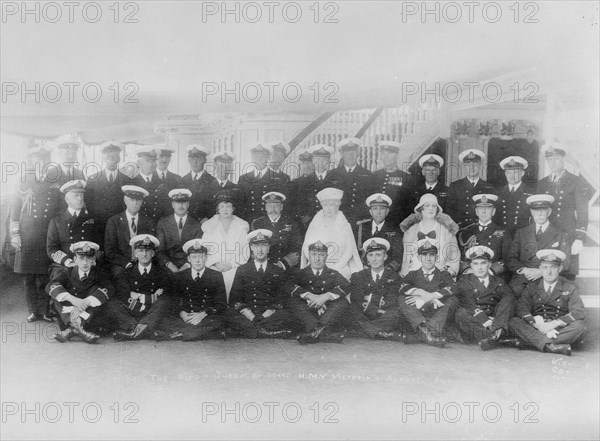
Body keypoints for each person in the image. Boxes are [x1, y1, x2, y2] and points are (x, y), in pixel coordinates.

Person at [10, 144, 60, 322]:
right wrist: (15, 234)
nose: (41, 163)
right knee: (28, 277)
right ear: (32, 161)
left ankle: (45, 311)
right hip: (28, 234)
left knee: (45, 275)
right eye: (38, 160)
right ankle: (33, 311)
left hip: (47, 234)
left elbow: (60, 209)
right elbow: (15, 210)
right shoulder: (24, 180)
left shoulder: (55, 181)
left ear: (49, 162)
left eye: (45, 160)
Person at [509, 249, 587, 356]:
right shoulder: (532, 286)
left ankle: (529, 342)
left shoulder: (569, 287)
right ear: (540, 269)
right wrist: (536, 323)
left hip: (559, 328)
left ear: (560, 268)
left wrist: (554, 324)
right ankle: (550, 346)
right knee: (514, 322)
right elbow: (522, 308)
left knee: (580, 327)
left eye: (553, 267)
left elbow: (579, 311)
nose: (549, 272)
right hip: (538, 326)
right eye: (545, 267)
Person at [227, 229, 297, 339]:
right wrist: (250, 315)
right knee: (229, 316)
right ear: (251, 248)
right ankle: (268, 332)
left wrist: (267, 313)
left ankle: (255, 331)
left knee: (287, 315)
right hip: (249, 314)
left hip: (269, 314)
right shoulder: (242, 269)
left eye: (263, 245)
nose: (260, 249)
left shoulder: (277, 270)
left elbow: (281, 298)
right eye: (256, 246)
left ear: (269, 247)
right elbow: (235, 299)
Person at [537, 143, 591, 279]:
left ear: (563, 159)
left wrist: (579, 238)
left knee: (566, 275)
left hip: (568, 236)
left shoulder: (576, 181)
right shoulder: (542, 183)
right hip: (547, 235)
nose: (553, 162)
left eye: (556, 159)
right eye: (550, 159)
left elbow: (583, 212)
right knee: (547, 273)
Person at [45, 241, 114, 343]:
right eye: (81, 258)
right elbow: (51, 285)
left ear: (94, 260)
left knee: (99, 294)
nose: (85, 263)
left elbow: (110, 288)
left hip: (88, 312)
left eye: (89, 258)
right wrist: (73, 300)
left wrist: (86, 302)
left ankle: (72, 329)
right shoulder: (67, 272)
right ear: (75, 259)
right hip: (69, 311)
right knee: (56, 296)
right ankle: (80, 330)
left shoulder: (99, 273)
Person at [161, 239, 228, 341]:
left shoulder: (216, 276)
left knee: (220, 320)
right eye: (194, 257)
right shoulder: (180, 276)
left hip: (206, 317)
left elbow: (221, 304)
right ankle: (197, 332)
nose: (197, 260)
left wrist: (203, 314)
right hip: (187, 317)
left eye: (201, 256)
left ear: (206, 258)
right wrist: (182, 313)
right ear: (188, 258)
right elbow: (174, 302)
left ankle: (182, 333)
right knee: (164, 321)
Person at [109, 234, 172, 341]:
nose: (144, 254)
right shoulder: (126, 273)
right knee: (112, 304)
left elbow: (166, 291)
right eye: (141, 250)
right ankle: (143, 329)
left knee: (164, 302)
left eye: (148, 250)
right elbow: (122, 294)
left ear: (153, 253)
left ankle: (134, 332)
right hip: (134, 309)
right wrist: (150, 298)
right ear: (135, 253)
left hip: (151, 310)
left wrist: (139, 296)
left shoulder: (161, 272)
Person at [507, 194, 571, 296]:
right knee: (513, 292)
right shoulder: (521, 233)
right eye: (536, 210)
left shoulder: (561, 234)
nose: (540, 213)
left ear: (549, 212)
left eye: (543, 209)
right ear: (532, 212)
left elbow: (566, 263)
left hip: (549, 276)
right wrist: (524, 270)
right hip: (525, 276)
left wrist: (542, 272)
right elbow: (511, 259)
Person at [455, 246, 517, 351]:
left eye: (483, 263)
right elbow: (469, 303)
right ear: (471, 265)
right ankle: (495, 337)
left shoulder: (498, 282)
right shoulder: (464, 281)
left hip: (495, 320)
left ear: (489, 264)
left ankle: (493, 337)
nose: (479, 267)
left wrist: (496, 320)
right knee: (460, 314)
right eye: (476, 263)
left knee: (510, 298)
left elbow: (508, 301)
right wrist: (486, 321)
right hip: (476, 321)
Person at [288, 241, 351, 344]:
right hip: (308, 312)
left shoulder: (333, 274)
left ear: (326, 257)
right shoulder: (301, 273)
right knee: (292, 301)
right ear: (309, 256)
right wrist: (308, 295)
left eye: (321, 255)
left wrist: (326, 296)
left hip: (326, 313)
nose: (317, 258)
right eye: (314, 254)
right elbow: (288, 285)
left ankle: (314, 333)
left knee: (343, 302)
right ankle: (324, 333)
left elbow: (347, 285)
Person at [398, 239, 457, 347]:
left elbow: (453, 287)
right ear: (419, 258)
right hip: (418, 313)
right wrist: (419, 292)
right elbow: (402, 286)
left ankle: (423, 334)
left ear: (437, 258)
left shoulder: (444, 274)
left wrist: (432, 296)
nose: (428, 258)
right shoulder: (413, 274)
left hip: (437, 314)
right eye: (424, 255)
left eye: (432, 255)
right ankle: (428, 333)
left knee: (453, 300)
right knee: (402, 299)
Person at [301, 187, 362, 280]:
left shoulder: (344, 224)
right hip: (316, 265)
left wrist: (337, 267)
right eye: (325, 205)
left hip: (339, 266)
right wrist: (316, 263)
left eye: (331, 204)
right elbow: (306, 246)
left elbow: (350, 249)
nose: (328, 208)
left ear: (337, 205)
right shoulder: (315, 223)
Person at [349, 238, 403, 341]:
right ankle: (380, 332)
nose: (374, 259)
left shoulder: (394, 276)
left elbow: (392, 299)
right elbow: (357, 298)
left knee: (396, 313)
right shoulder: (359, 276)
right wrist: (375, 309)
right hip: (366, 312)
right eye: (371, 255)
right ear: (367, 259)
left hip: (384, 314)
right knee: (352, 310)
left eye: (378, 255)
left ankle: (366, 330)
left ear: (385, 257)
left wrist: (369, 298)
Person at [46, 180, 102, 277]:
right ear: (67, 199)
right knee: (59, 279)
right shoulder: (56, 221)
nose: (80, 199)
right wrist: (67, 261)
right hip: (65, 264)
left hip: (89, 262)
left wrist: (92, 260)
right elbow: (51, 248)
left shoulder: (94, 219)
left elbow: (100, 245)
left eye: (81, 195)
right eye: (75, 196)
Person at [201, 190, 250, 298]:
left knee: (234, 295)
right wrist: (216, 264)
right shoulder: (209, 227)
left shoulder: (241, 227)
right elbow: (204, 251)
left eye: (228, 206)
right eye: (222, 206)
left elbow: (245, 252)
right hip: (214, 268)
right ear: (217, 209)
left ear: (233, 208)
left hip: (235, 268)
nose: (225, 209)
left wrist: (231, 265)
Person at [400, 193, 459, 277]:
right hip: (415, 274)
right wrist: (405, 274)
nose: (430, 208)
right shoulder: (411, 230)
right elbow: (406, 256)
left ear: (437, 209)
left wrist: (450, 270)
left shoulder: (446, 230)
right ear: (421, 209)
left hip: (440, 274)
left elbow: (454, 252)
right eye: (427, 205)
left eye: (434, 206)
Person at [325, 137, 373, 234]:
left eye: (353, 151)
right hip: (338, 222)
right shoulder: (332, 175)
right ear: (342, 154)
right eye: (347, 152)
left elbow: (369, 200)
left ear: (358, 153)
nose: (350, 155)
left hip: (359, 223)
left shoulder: (367, 175)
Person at [104, 185, 155, 276]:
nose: (135, 203)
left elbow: (152, 247)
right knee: (120, 274)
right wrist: (126, 263)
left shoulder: (148, 222)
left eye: (138, 200)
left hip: (143, 261)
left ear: (142, 202)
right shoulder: (114, 221)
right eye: (131, 200)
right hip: (121, 263)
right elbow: (110, 250)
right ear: (125, 201)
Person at [457, 194, 511, 280]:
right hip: (470, 274)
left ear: (493, 211)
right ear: (476, 211)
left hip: (493, 275)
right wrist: (468, 269)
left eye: (488, 208)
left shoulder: (503, 232)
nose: (484, 212)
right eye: (481, 208)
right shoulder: (466, 231)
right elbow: (460, 257)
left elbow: (508, 258)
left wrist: (491, 271)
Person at [237, 142, 290, 223]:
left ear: (268, 157)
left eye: (263, 155)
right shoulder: (243, 178)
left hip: (269, 221)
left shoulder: (279, 178)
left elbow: (283, 205)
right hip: (248, 221)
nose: (259, 159)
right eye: (255, 156)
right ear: (252, 158)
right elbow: (240, 205)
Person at [85, 141, 130, 235]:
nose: (111, 159)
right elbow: (88, 203)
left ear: (119, 158)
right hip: (99, 224)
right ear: (104, 158)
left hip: (119, 225)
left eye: (114, 156)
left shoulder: (127, 180)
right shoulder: (93, 179)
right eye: (108, 156)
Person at [251, 192, 303, 271]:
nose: (273, 209)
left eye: (276, 206)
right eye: (270, 206)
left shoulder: (291, 223)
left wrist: (283, 264)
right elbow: (252, 247)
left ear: (281, 207)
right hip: (264, 267)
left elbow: (298, 248)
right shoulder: (257, 224)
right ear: (265, 207)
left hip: (286, 268)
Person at [156, 189, 203, 274]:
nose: (181, 205)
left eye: (184, 202)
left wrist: (187, 265)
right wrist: (169, 264)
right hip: (167, 267)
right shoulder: (163, 223)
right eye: (178, 202)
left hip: (190, 266)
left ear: (188, 204)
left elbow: (198, 250)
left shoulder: (196, 225)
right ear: (173, 204)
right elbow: (159, 251)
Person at [446, 149, 495, 228]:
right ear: (464, 166)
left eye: (475, 163)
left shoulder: (489, 187)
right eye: (468, 164)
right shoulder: (455, 186)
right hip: (460, 228)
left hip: (481, 228)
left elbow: (492, 212)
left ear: (480, 164)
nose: (471, 167)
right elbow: (449, 210)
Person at [356, 193, 403, 272]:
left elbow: (398, 256)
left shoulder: (395, 229)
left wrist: (386, 270)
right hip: (364, 269)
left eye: (382, 209)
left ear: (387, 211)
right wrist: (363, 267)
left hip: (386, 270)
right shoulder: (362, 227)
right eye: (375, 209)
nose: (378, 212)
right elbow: (357, 253)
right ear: (370, 212)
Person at [372, 140, 414, 225]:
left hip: (397, 222)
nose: (386, 157)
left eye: (390, 153)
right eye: (383, 153)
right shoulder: (374, 176)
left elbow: (410, 205)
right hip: (376, 222)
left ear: (397, 155)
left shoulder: (406, 177)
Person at [292, 144, 333, 230]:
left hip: (331, 223)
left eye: (324, 159)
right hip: (310, 223)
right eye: (317, 159)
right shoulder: (304, 182)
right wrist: (307, 220)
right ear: (313, 161)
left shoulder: (335, 179)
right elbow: (300, 204)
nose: (321, 163)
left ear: (329, 161)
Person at [494, 156, 536, 235]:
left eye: (515, 172)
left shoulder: (530, 192)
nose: (512, 176)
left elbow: (534, 217)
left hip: (523, 235)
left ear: (522, 173)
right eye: (509, 172)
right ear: (505, 174)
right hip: (502, 235)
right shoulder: (498, 192)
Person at [180, 144, 219, 223]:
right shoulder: (182, 181)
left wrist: (207, 218)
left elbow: (215, 205)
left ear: (205, 160)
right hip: (186, 223)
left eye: (198, 158)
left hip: (205, 223)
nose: (195, 162)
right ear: (188, 160)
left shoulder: (212, 181)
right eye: (192, 159)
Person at [129, 145, 162, 223]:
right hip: (139, 225)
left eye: (153, 161)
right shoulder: (131, 183)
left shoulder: (161, 182)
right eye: (147, 160)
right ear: (139, 163)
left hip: (157, 225)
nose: (151, 164)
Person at [155, 145, 182, 220]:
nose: (164, 160)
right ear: (156, 158)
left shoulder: (177, 179)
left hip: (170, 220)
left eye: (167, 157)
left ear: (170, 159)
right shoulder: (148, 177)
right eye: (161, 157)